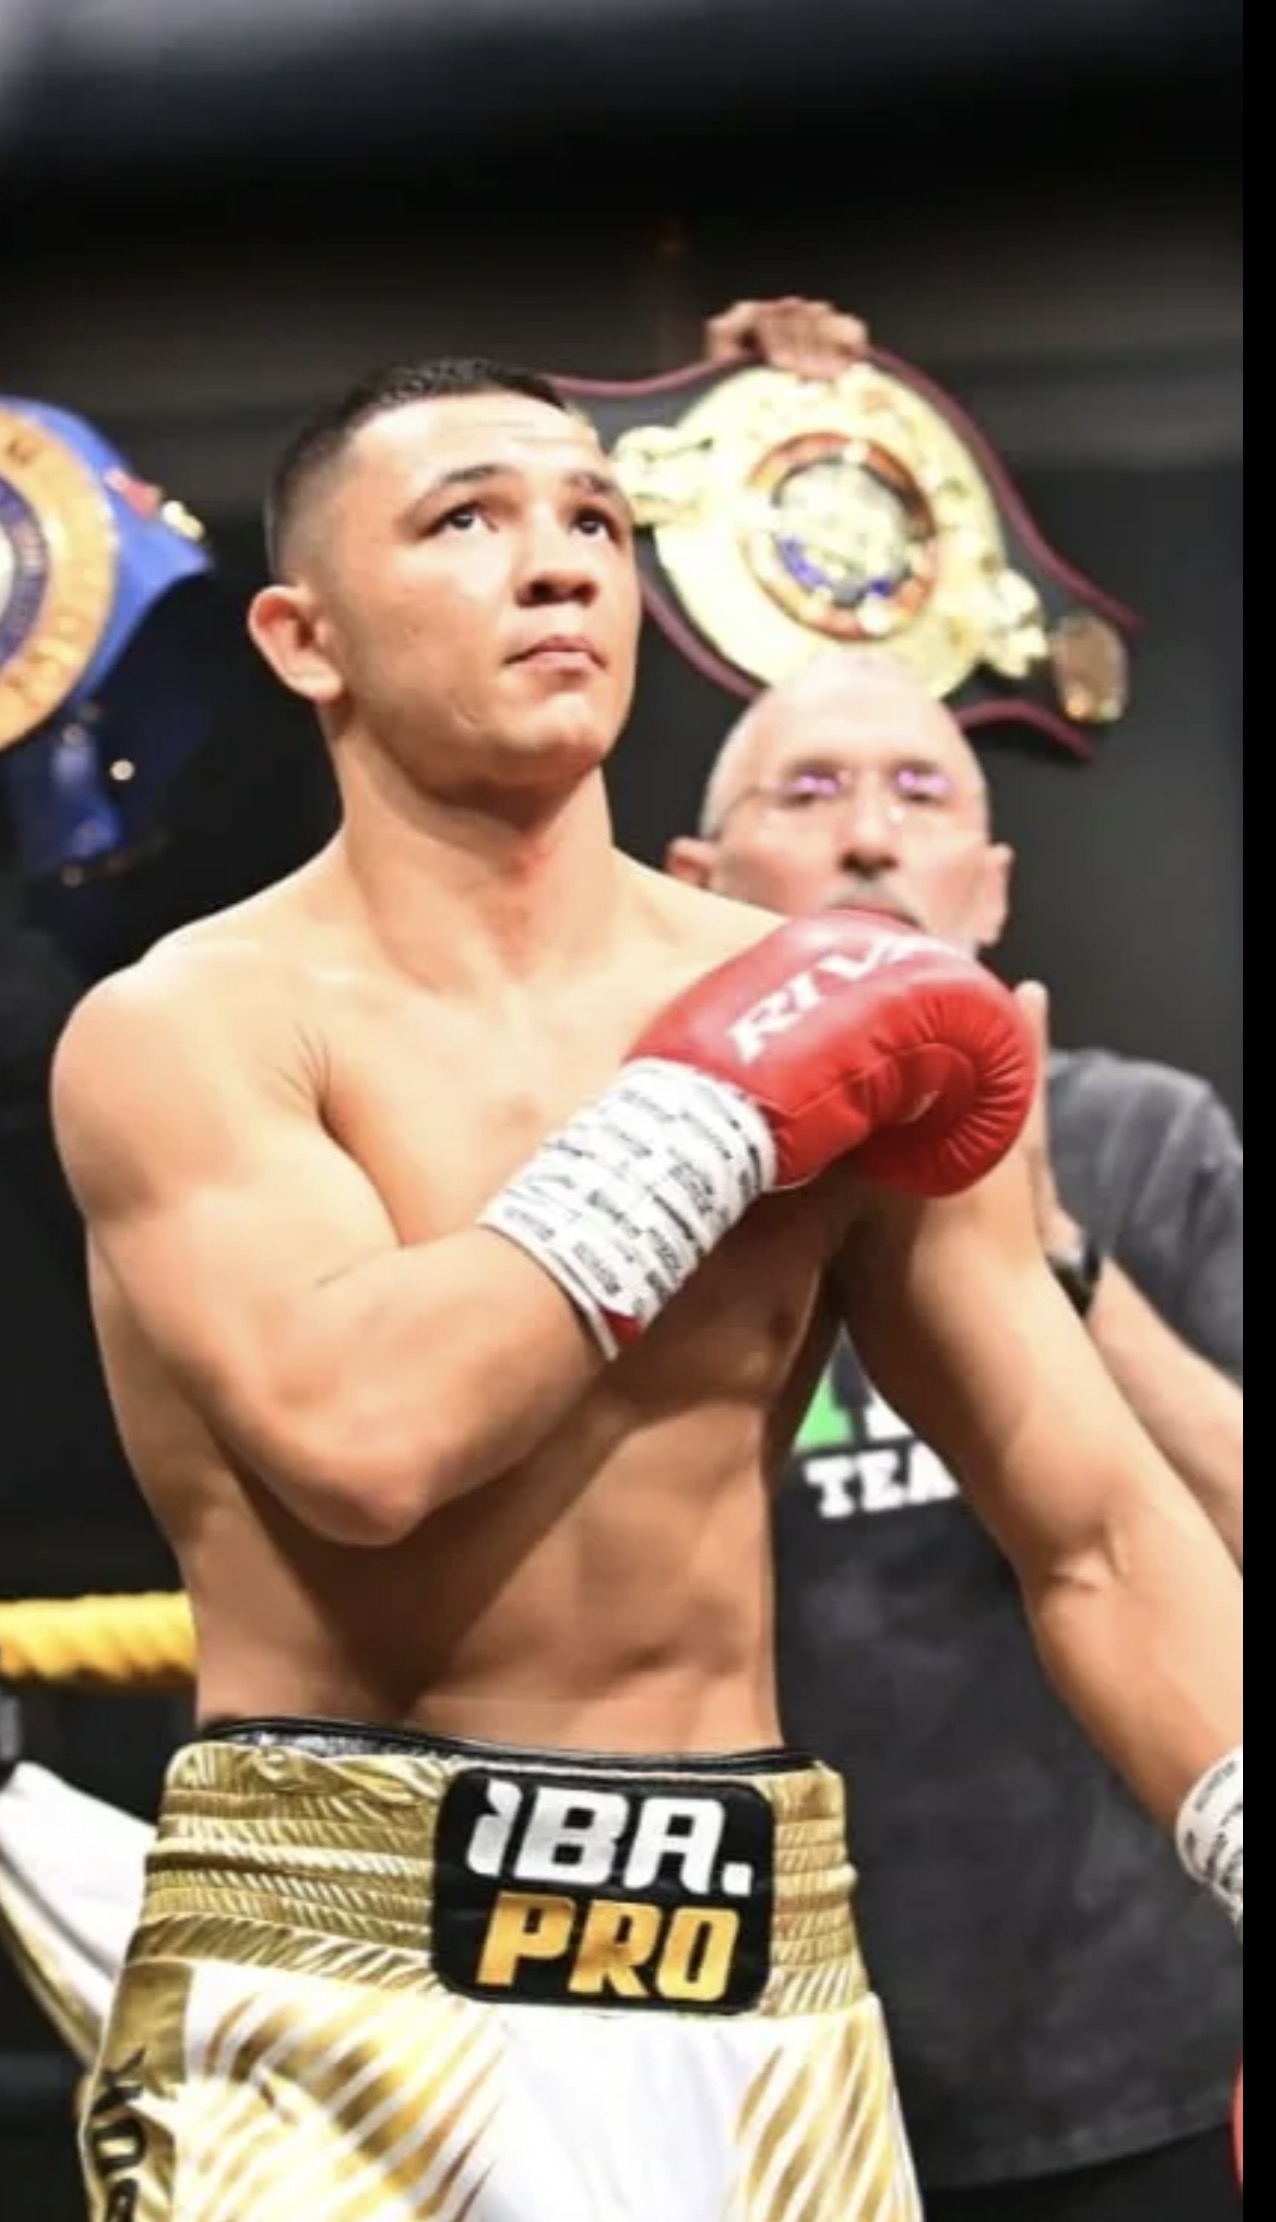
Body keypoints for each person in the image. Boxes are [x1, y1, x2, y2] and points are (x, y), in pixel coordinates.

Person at [25, 350, 1240, 2218]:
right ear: (302, 635)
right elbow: (363, 1437)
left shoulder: (845, 1014)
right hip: (341, 1964)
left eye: (593, 518)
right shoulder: (195, 1026)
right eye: (467, 519)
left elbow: (1093, 1527)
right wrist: (712, 1112)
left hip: (756, 1975)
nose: (559, 560)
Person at [666, 640, 1244, 2220]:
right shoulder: (621, 1181)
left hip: (1123, 2056)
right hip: (743, 2060)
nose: (869, 835)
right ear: (696, 883)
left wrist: (1060, 1261)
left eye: (920, 792)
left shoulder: (1143, 1138)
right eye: (810, 790)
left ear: (988, 889)